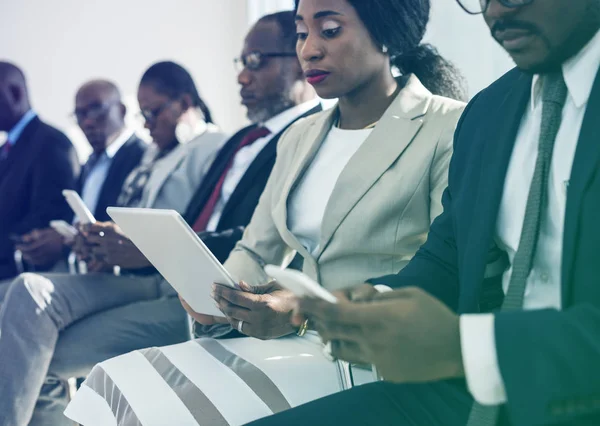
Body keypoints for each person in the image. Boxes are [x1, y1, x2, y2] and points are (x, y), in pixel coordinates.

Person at [65, 1, 468, 424]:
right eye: (300, 33)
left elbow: (441, 269)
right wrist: (214, 297)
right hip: (280, 336)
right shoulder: (300, 136)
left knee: (158, 413)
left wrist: (301, 310)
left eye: (329, 30)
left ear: (388, 35)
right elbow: (255, 250)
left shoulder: (448, 126)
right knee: (109, 382)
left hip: (364, 350)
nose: (309, 49)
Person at [244, 0, 600, 426]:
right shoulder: (491, 112)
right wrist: (369, 303)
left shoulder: (447, 122)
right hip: (467, 392)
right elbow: (446, 259)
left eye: (331, 30)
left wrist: (464, 346)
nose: (496, 10)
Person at [1, 12, 319, 426]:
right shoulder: (241, 141)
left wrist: (152, 249)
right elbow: (189, 217)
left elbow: (261, 240)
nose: (242, 77)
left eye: (256, 61)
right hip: (161, 272)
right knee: (26, 305)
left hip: (209, 286)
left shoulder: (289, 138)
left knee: (29, 350)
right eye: (241, 64)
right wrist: (114, 243)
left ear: (297, 58)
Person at [0, 61, 227, 426]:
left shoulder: (212, 148)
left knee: (30, 329)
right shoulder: (153, 154)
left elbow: (205, 228)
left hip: (162, 277)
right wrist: (100, 240)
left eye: (153, 112)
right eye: (144, 114)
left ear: (185, 103)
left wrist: (131, 246)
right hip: (128, 269)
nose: (147, 123)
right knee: (23, 303)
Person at [14, 80, 147, 271]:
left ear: (122, 110)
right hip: (80, 267)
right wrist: (55, 236)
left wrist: (64, 243)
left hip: (120, 273)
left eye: (96, 109)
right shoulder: (89, 165)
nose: (87, 122)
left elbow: (128, 227)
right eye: (80, 114)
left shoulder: (143, 158)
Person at [0, 61, 79, 280]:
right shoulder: (5, 150)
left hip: (21, 271)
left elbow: (50, 215)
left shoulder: (51, 142)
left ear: (15, 93)